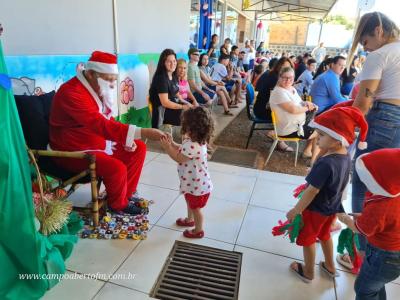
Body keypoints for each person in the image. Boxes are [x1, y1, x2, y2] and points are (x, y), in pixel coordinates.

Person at [50, 51, 165, 215]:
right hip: (72, 149)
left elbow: (106, 120)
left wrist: (129, 137)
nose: (112, 84)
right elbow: (99, 124)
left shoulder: (94, 86)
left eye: (113, 80)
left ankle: (125, 195)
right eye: (108, 79)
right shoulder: (72, 92)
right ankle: (117, 205)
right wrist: (143, 131)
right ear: (90, 74)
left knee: (138, 148)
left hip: (95, 140)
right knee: (116, 167)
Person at [286, 105, 368, 283]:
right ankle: (330, 267)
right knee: (324, 235)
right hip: (332, 208)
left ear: (338, 139)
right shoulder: (345, 157)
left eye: (322, 135)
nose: (317, 138)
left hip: (315, 210)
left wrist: (296, 210)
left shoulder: (326, 164)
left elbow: (312, 190)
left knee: (307, 239)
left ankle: (308, 272)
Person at [344, 11, 400, 261]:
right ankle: (382, 248)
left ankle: (362, 253)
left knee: (365, 179)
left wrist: (347, 127)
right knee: (392, 186)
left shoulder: (380, 55)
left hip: (384, 119)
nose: (366, 50)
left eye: (365, 42)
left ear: (378, 31)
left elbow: (364, 101)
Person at [337, 148, 400, 300]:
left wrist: (344, 217)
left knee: (363, 289)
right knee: (375, 286)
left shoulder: (381, 206)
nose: (364, 183)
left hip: (382, 257)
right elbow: (387, 221)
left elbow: (360, 229)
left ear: (383, 182)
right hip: (393, 257)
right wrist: (365, 217)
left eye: (368, 179)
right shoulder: (394, 196)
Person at [160, 107, 214, 238]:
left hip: (197, 186)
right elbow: (183, 149)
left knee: (196, 209)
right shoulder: (195, 141)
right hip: (193, 184)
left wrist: (167, 148)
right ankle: (190, 220)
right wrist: (172, 143)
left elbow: (179, 157)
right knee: (190, 203)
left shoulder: (193, 145)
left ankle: (198, 230)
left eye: (185, 125)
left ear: (192, 128)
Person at [269, 67, 319, 160]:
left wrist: (306, 103)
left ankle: (308, 152)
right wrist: (308, 108)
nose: (288, 80)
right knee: (320, 132)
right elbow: (293, 110)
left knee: (319, 126)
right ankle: (312, 161)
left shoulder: (291, 88)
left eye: (291, 78)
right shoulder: (278, 92)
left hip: (297, 125)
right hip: (289, 129)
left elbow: (298, 103)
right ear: (279, 77)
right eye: (285, 77)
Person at [149, 49, 192, 129]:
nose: (173, 64)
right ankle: (189, 138)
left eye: (174, 61)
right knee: (189, 116)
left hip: (171, 107)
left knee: (193, 111)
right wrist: (182, 107)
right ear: (163, 63)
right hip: (162, 112)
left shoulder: (173, 75)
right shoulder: (161, 79)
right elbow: (165, 102)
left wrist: (186, 103)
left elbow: (176, 93)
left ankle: (189, 139)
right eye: (169, 61)